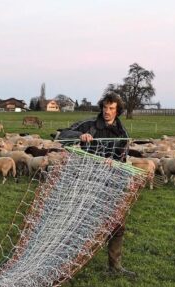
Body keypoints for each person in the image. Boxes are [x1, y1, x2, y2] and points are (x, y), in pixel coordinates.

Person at [56, 92, 136, 277]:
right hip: (86, 182)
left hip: (109, 184)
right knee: (80, 223)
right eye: (105, 107)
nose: (107, 111)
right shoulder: (89, 125)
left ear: (118, 111)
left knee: (117, 225)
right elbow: (62, 136)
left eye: (111, 108)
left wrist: (114, 163)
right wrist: (79, 135)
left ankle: (115, 267)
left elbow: (122, 160)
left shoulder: (122, 134)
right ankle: (64, 263)